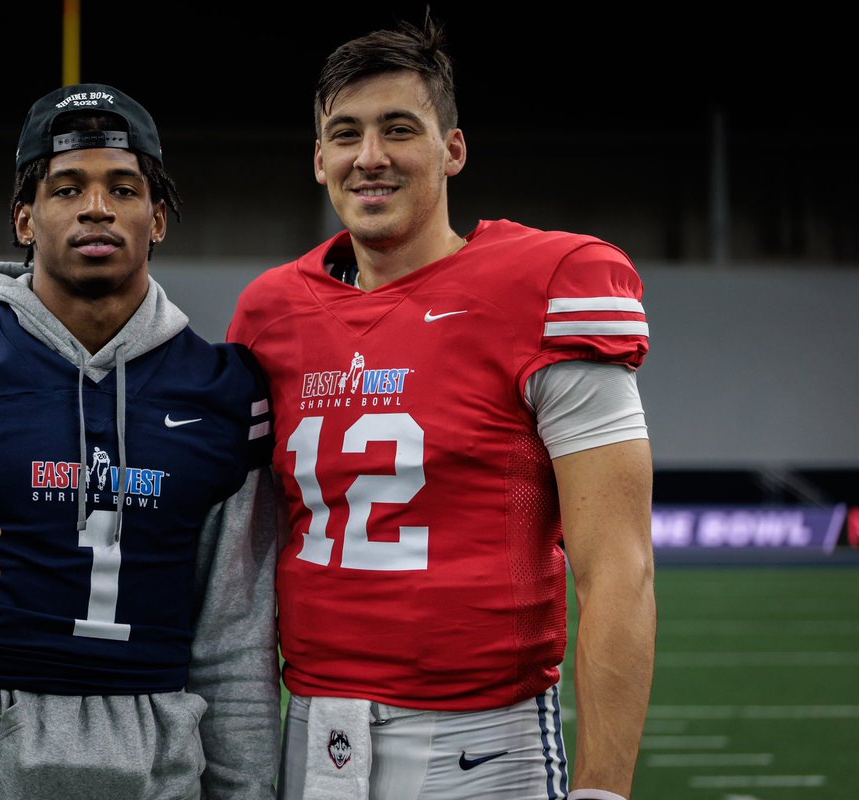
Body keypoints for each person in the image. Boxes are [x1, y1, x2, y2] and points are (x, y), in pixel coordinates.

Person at [226, 14, 655, 800]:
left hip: (481, 744)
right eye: (346, 134)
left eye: (399, 129)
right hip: (311, 734)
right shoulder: (269, 312)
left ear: (451, 149)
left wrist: (601, 789)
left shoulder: (549, 282)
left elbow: (617, 565)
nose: (371, 157)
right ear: (318, 159)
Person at [0, 82, 281, 800]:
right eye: (67, 188)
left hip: (157, 781)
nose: (96, 206)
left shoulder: (218, 391)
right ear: (24, 220)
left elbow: (233, 644)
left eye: (123, 188)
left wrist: (244, 792)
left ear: (156, 218)